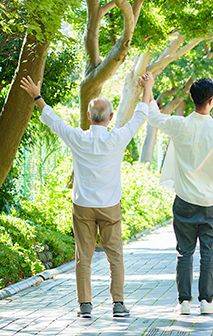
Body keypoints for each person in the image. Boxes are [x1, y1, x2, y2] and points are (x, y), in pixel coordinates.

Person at [20, 76, 150, 318]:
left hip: (82, 206)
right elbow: (139, 117)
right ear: (111, 118)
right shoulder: (117, 139)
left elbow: (54, 121)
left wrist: (37, 96)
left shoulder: (78, 138)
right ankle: (119, 304)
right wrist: (147, 88)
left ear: (89, 117)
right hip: (110, 206)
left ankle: (85, 306)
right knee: (115, 256)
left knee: (84, 257)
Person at [141, 71, 213, 315]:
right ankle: (206, 301)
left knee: (184, 252)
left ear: (192, 98)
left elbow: (152, 117)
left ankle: (183, 302)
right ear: (212, 100)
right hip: (211, 204)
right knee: (209, 252)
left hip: (184, 201)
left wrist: (149, 87)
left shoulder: (180, 125)